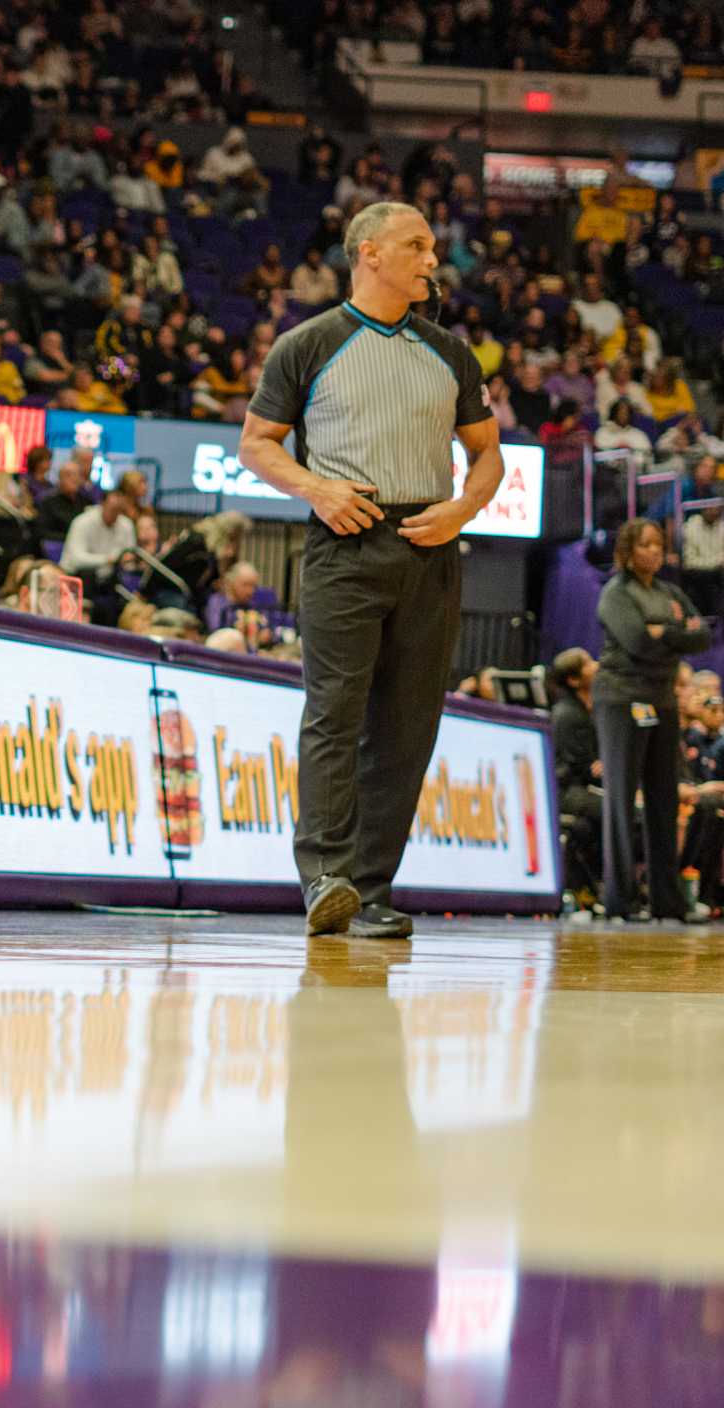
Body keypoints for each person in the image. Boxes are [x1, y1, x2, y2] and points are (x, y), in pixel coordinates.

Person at [239, 201, 503, 939]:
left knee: (407, 725)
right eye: (415, 245)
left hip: (430, 540)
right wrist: (316, 489)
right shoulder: (309, 343)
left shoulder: (449, 351)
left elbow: (488, 453)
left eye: (432, 246)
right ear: (368, 253)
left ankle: (371, 888)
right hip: (344, 539)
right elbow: (257, 442)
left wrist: (462, 509)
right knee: (335, 711)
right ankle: (324, 875)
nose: (431, 259)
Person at [594, 519, 711, 921]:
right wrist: (672, 634)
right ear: (628, 551)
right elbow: (639, 642)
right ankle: (620, 901)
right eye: (646, 545)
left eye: (659, 545)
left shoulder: (669, 592)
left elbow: (703, 636)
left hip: (661, 699)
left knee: (664, 798)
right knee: (622, 799)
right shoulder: (615, 594)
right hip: (621, 698)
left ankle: (668, 901)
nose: (655, 552)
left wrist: (667, 632)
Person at [549, 646, 603, 902]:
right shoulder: (569, 714)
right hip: (567, 790)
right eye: (588, 663)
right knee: (615, 813)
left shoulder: (586, 710)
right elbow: (582, 766)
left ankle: (597, 889)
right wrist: (598, 766)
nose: (597, 665)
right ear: (574, 679)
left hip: (581, 786)